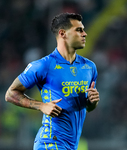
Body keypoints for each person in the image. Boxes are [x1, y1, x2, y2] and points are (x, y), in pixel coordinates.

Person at [5, 12, 100, 150]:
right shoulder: (44, 65)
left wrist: (92, 102)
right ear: (62, 34)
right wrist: (40, 105)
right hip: (49, 142)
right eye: (79, 30)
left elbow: (88, 108)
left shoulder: (89, 67)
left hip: (71, 145)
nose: (84, 34)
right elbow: (10, 94)